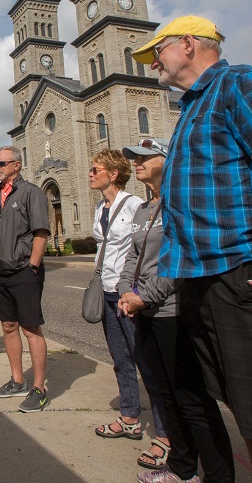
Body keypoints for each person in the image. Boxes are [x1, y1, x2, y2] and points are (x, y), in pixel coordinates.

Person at [132, 15, 252, 482]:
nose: (152, 63)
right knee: (250, 418)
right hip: (202, 278)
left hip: (246, 271)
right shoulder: (190, 107)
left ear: (187, 44)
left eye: (156, 51)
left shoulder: (239, 82)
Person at [118, 138, 234, 483]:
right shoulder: (142, 209)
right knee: (164, 394)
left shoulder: (178, 202)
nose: (135, 162)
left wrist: (145, 296)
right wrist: (127, 293)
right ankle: (183, 471)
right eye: (133, 158)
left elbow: (181, 260)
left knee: (192, 399)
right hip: (145, 312)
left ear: (166, 161)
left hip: (173, 312)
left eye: (143, 157)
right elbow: (131, 257)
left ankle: (218, 475)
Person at [89, 150, 169, 462]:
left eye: (96, 169)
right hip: (108, 290)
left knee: (146, 363)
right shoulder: (100, 207)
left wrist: (131, 292)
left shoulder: (134, 204)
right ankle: (130, 417)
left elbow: (141, 250)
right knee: (121, 359)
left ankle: (164, 432)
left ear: (113, 173)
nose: (91, 173)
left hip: (131, 296)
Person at [0, 146, 51, 412]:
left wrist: (32, 265)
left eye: (1, 163)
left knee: (30, 328)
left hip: (23, 271)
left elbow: (41, 232)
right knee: (8, 325)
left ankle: (39, 388)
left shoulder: (31, 192)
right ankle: (17, 380)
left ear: (16, 165)